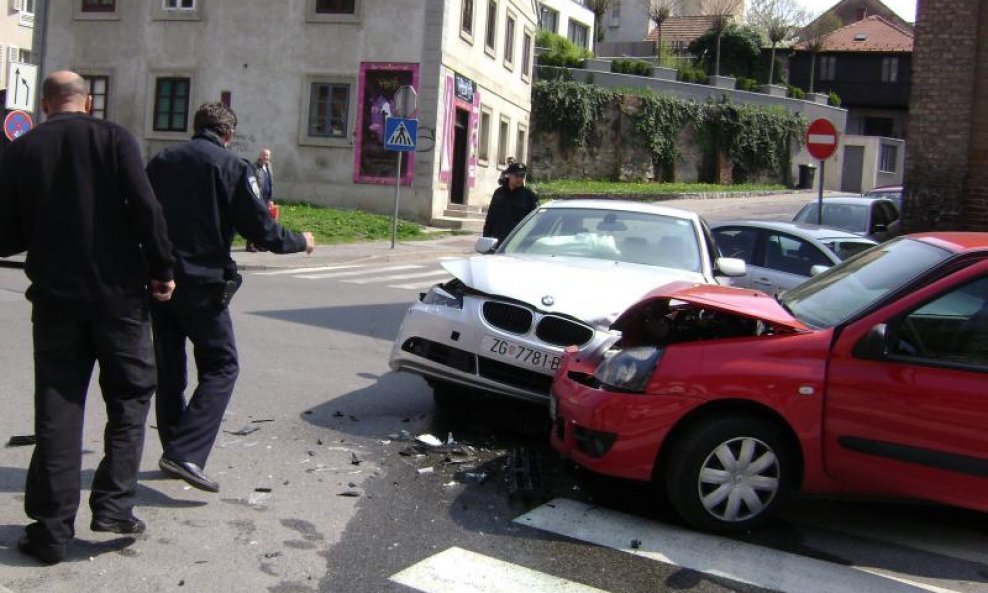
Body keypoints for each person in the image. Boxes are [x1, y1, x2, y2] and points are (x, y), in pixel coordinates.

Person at [0, 71, 176, 565]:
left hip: (56, 300)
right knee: (131, 396)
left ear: (45, 102)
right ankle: (115, 505)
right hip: (120, 297)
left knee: (58, 410)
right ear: (88, 100)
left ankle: (51, 531)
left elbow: (6, 234)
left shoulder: (23, 149)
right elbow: (147, 209)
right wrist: (162, 268)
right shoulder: (115, 138)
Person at [146, 102, 314, 494]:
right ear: (227, 134)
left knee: (170, 369)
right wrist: (301, 241)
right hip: (204, 284)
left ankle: (174, 447)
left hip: (160, 279)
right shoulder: (232, 167)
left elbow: (137, 213)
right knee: (222, 365)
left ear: (196, 127)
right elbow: (263, 231)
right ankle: (185, 452)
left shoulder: (161, 161)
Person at [483, 161, 539, 244]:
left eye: (522, 176)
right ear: (509, 175)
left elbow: (535, 220)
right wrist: (486, 238)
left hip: (518, 242)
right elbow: (490, 217)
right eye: (516, 175)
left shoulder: (529, 195)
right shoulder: (499, 193)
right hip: (498, 240)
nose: (519, 179)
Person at [245, 148, 273, 252]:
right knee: (254, 221)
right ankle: (250, 244)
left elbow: (270, 182)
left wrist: (270, 198)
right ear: (260, 155)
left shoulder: (268, 166)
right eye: (264, 155)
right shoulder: (254, 167)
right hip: (257, 198)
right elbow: (252, 183)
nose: (266, 157)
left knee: (263, 221)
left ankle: (259, 244)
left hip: (266, 198)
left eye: (268, 155)